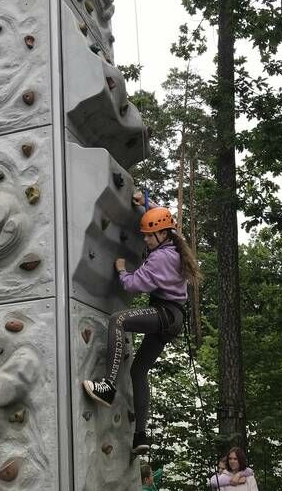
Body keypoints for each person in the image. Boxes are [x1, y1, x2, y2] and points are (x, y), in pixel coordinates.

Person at [83, 191, 201, 454]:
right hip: (172, 318)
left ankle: (108, 386)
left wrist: (121, 269)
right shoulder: (175, 242)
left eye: (149, 236)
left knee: (119, 320)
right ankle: (141, 436)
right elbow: (167, 219)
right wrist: (147, 202)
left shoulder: (160, 258)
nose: (145, 239)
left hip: (164, 314)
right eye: (145, 235)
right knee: (139, 371)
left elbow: (133, 285)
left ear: (162, 235)